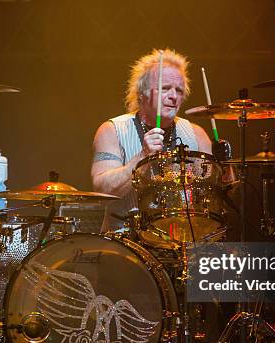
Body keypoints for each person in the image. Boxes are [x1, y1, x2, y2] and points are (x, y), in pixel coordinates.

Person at [91, 49, 213, 232]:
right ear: (142, 93)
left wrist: (227, 173)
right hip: (127, 244)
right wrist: (143, 155)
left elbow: (214, 197)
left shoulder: (197, 135)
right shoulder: (112, 130)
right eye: (165, 88)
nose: (173, 96)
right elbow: (102, 191)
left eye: (179, 90)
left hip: (183, 241)